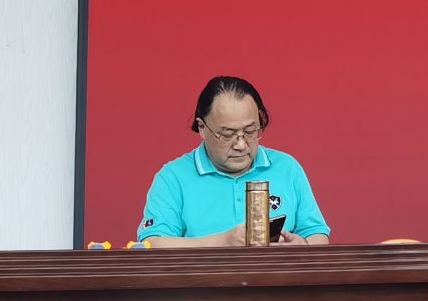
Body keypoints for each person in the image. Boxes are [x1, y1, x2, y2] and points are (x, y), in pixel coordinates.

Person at [137, 77, 330, 248]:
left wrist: (304, 245)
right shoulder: (173, 178)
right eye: (227, 135)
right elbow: (151, 243)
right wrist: (224, 241)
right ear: (202, 128)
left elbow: (317, 233)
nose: (241, 145)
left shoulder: (287, 168)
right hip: (203, 279)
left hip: (276, 277)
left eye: (250, 131)